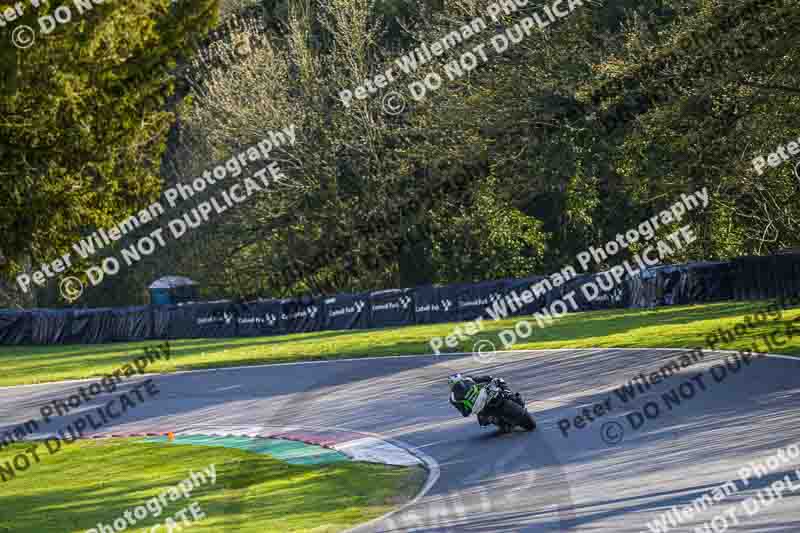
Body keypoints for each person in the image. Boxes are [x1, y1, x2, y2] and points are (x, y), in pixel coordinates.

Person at [448, 373, 524, 427]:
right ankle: (509, 394)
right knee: (483, 421)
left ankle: (509, 394)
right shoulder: (468, 379)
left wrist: (489, 381)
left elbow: (464, 413)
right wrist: (490, 379)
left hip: (483, 401)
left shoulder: (452, 398)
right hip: (481, 407)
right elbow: (487, 378)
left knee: (500, 384)